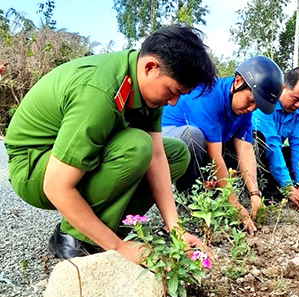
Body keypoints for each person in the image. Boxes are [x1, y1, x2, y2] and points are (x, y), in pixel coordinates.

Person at [5, 25, 216, 263]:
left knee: (176, 154)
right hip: (34, 168)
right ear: (150, 67)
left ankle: (106, 228)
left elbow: (158, 157)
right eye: (172, 91)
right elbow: (55, 186)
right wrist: (117, 248)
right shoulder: (100, 91)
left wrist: (176, 231)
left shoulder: (147, 90)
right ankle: (72, 237)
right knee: (136, 146)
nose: (174, 102)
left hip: (69, 161)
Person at [161, 56, 283, 235]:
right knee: (192, 136)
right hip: (169, 139)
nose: (251, 108)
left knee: (256, 140)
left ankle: (211, 197)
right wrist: (234, 204)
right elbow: (214, 157)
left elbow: (246, 150)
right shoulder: (209, 95)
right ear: (238, 81)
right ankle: (184, 205)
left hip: (204, 145)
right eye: (250, 100)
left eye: (256, 106)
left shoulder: (244, 110)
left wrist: (255, 195)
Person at [252, 67, 299, 211]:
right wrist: (288, 187)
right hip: (258, 156)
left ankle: (293, 192)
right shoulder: (266, 103)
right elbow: (272, 146)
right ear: (282, 88)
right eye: (296, 99)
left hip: (275, 155)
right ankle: (270, 193)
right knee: (259, 143)